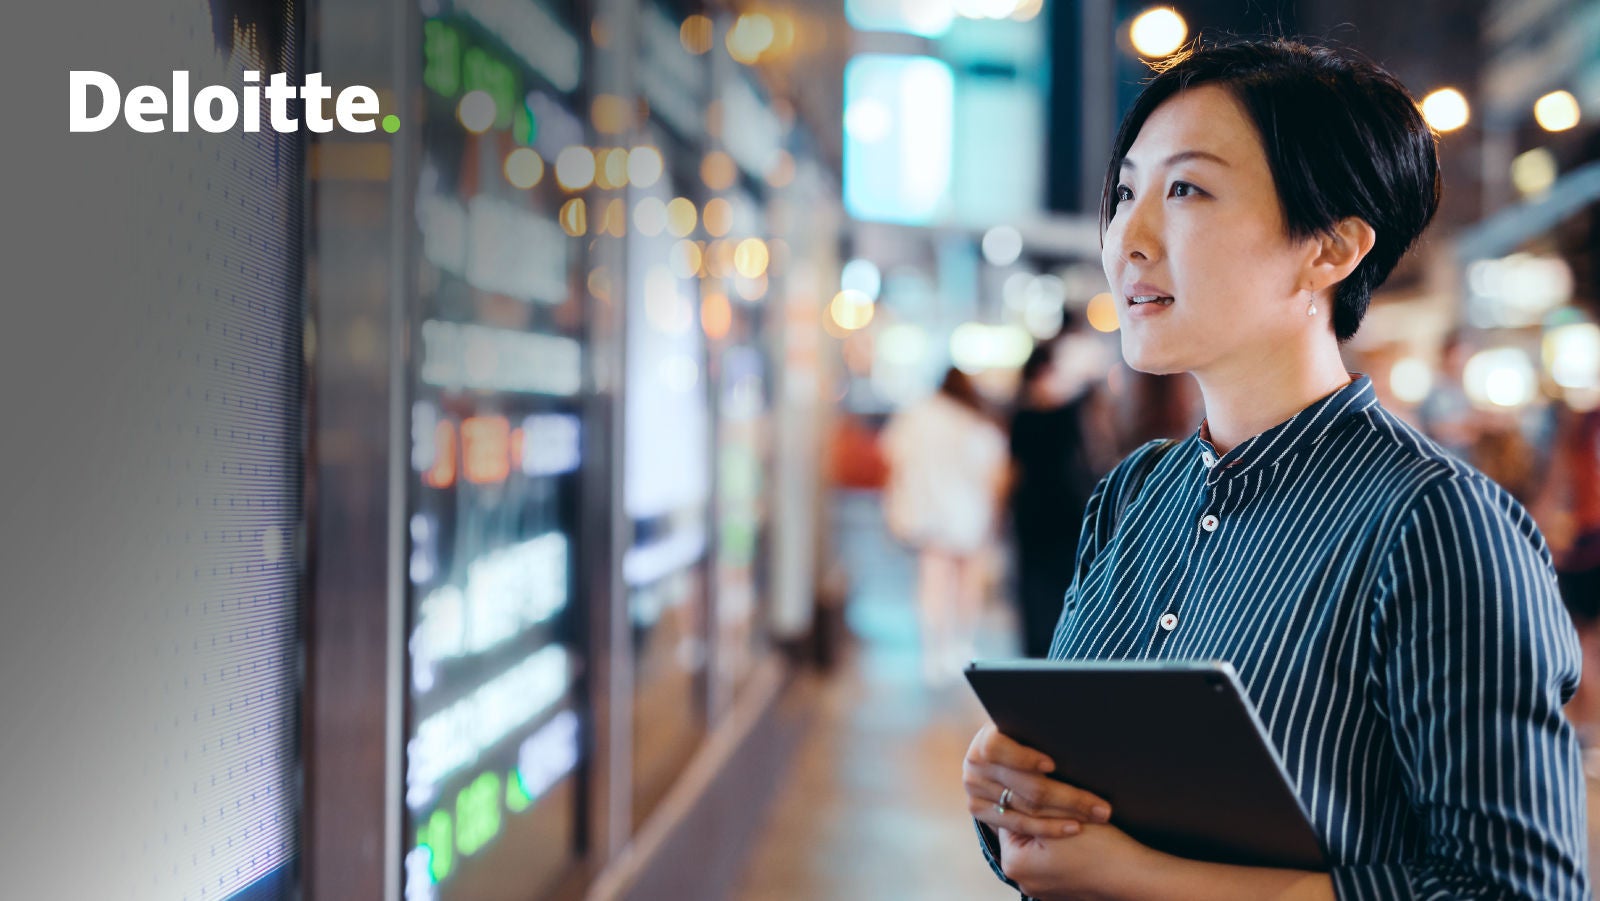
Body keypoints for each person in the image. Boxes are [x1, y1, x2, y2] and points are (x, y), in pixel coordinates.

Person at [961, 39, 1589, 900]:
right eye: (1124, 192)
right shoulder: (1135, 496)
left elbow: (1514, 888)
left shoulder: (1437, 525)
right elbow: (1071, 817)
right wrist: (1009, 795)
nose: (1127, 239)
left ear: (1329, 250)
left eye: (1185, 189)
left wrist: (1148, 880)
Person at [881, 366, 1009, 684]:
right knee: (967, 584)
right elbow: (995, 471)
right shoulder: (976, 420)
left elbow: (890, 454)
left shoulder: (917, 415)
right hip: (969, 514)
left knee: (933, 582)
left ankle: (933, 651)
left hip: (928, 514)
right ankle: (960, 645)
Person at [1009, 326, 1113, 657]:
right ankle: (1060, 643)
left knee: (1031, 578)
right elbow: (1087, 459)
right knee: (1062, 578)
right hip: (1065, 507)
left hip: (1029, 508)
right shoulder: (1068, 412)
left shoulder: (1020, 415)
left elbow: (1012, 469)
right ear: (1045, 371)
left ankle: (1036, 648)